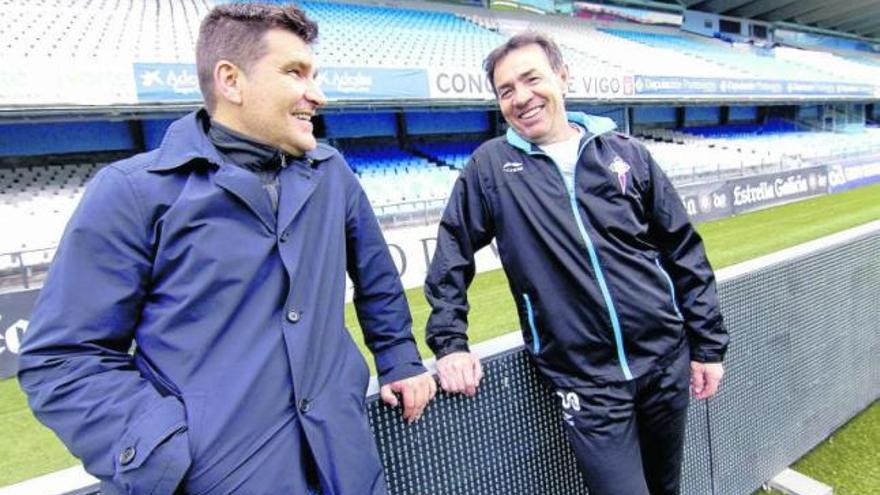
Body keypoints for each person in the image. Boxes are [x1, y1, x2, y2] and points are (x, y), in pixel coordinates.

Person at [18, 4, 435, 494]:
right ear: (231, 81)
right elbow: (61, 358)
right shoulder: (131, 192)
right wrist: (166, 452)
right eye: (295, 73)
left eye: (315, 74)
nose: (317, 95)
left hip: (349, 470)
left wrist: (399, 358)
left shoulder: (333, 174)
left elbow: (377, 278)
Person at [424, 32, 728, 495]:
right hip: (586, 382)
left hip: (666, 362)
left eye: (531, 79)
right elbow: (451, 255)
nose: (521, 97)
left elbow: (682, 249)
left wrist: (706, 345)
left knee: (666, 488)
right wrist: (450, 343)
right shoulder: (490, 168)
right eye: (506, 91)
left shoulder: (626, 153)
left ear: (563, 78)